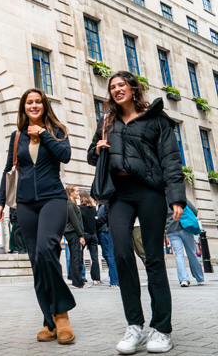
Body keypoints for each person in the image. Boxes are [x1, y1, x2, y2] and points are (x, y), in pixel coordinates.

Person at [87, 70, 186, 354]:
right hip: (119, 193)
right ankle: (135, 326)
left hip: (150, 192)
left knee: (153, 258)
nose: (117, 89)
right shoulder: (107, 121)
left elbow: (170, 158)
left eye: (121, 85)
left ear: (132, 88)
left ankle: (162, 329)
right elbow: (92, 156)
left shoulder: (156, 119)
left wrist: (176, 197)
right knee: (120, 253)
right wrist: (97, 148)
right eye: (112, 87)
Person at [0, 88, 76, 345]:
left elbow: (65, 156)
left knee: (45, 250)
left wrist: (42, 133)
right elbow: (8, 169)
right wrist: (0, 203)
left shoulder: (56, 130)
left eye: (38, 101)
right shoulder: (16, 135)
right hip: (25, 204)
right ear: (24, 107)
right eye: (29, 102)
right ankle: (49, 321)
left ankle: (62, 314)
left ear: (44, 105)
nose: (34, 105)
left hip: (53, 198)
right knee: (36, 261)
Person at [165, 200, 204, 287]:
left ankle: (184, 279)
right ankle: (199, 278)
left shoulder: (160, 200)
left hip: (171, 229)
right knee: (192, 253)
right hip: (185, 227)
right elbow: (194, 211)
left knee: (179, 254)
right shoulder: (180, 197)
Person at [64, 185, 86, 289]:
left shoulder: (72, 204)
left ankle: (77, 281)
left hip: (73, 232)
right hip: (73, 232)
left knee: (75, 256)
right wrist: (81, 235)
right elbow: (75, 221)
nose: (78, 193)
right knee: (76, 257)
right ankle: (77, 282)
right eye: (76, 191)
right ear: (71, 192)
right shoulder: (69, 204)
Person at [78, 190, 101, 285]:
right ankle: (96, 278)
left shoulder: (79, 208)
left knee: (79, 256)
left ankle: (81, 277)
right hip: (93, 235)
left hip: (84, 235)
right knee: (95, 257)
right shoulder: (93, 209)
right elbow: (96, 221)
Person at [96, 204, 119, 288]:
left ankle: (114, 281)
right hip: (114, 229)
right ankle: (116, 279)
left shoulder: (106, 203)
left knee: (110, 255)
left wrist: (96, 220)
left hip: (108, 230)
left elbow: (105, 216)